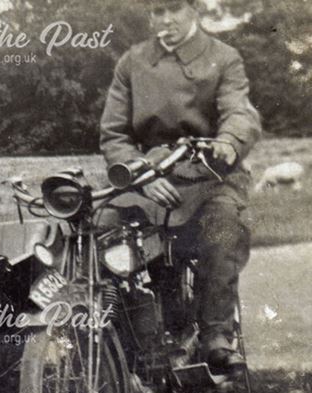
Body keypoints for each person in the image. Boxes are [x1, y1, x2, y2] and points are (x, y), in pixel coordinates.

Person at [99, 0, 261, 373]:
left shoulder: (224, 56)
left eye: (174, 9)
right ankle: (128, 341)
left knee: (222, 226)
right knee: (105, 228)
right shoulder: (133, 61)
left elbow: (238, 110)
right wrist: (143, 175)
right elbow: (114, 134)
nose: (165, 20)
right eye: (158, 11)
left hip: (210, 173)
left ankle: (216, 334)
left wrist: (229, 141)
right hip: (150, 177)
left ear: (195, 10)